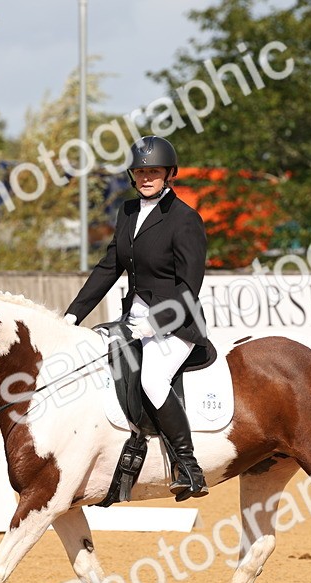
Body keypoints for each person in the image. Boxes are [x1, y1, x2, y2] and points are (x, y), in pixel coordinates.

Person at [64, 135, 210, 500]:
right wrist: (73, 313)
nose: (146, 177)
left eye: (154, 171)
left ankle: (188, 467)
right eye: (140, 172)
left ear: (168, 174)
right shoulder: (127, 212)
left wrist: (157, 322)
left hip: (177, 320)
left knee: (153, 379)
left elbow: (189, 287)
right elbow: (109, 266)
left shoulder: (185, 219)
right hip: (133, 317)